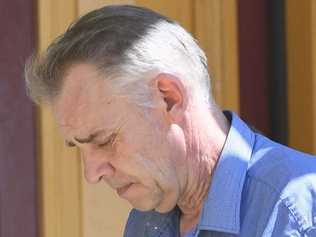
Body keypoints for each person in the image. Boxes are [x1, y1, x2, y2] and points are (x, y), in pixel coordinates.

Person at [24, 5, 316, 237]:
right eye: (78, 147)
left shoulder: (296, 209)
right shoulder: (147, 220)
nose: (91, 173)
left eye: (104, 140)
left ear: (169, 98)